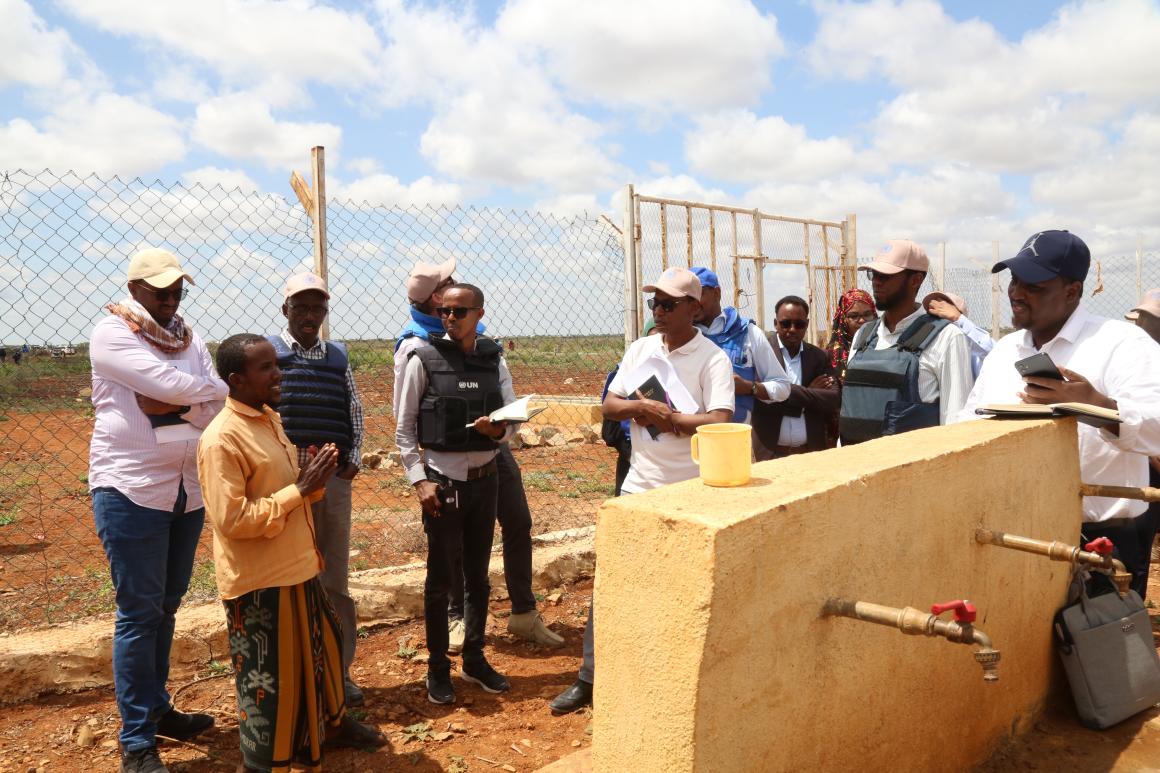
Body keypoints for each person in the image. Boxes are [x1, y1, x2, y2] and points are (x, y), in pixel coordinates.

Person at [550, 267, 735, 715]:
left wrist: (669, 418)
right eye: (655, 303)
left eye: (669, 304)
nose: (659, 311)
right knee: (611, 585)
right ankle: (590, 679)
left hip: (691, 492)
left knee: (681, 593)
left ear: (695, 308)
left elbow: (720, 420)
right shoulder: (640, 349)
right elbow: (610, 404)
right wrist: (639, 406)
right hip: (639, 488)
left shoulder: (713, 359)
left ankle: (671, 684)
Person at [198, 335, 386, 773]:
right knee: (270, 681)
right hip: (262, 581)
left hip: (298, 568)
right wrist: (298, 489)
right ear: (237, 380)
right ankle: (263, 760)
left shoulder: (267, 419)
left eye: (274, 365)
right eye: (267, 368)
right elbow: (233, 521)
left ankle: (329, 726)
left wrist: (312, 481)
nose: (279, 373)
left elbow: (283, 491)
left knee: (322, 652)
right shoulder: (221, 440)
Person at [958, 231, 1160, 597]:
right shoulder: (1006, 350)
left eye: (1033, 284)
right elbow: (968, 423)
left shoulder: (1121, 343)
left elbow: (1156, 427)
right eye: (1014, 280)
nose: (1016, 292)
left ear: (1072, 291)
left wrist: (1097, 407)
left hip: (1102, 541)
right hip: (1018, 535)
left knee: (1100, 651)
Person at [88, 248, 226, 773]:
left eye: (177, 292)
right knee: (139, 614)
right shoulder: (112, 333)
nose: (171, 301)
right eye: (160, 292)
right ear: (135, 289)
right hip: (132, 491)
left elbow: (214, 397)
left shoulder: (189, 338)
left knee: (165, 608)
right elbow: (174, 389)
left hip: (186, 491)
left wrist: (182, 400)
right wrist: (194, 396)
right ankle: (137, 739)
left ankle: (159, 710)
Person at [394, 259, 562, 650]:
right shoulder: (415, 349)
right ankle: (458, 619)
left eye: (460, 304)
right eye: (447, 288)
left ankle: (523, 612)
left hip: (490, 452)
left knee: (517, 522)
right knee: (454, 542)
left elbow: (507, 403)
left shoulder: (487, 349)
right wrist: (421, 474)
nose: (454, 291)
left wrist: (501, 431)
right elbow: (406, 417)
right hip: (448, 460)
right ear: (438, 300)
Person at [396, 283, 518, 705]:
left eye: (459, 312)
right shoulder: (422, 358)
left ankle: (474, 658)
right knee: (440, 579)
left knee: (478, 577)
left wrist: (497, 430)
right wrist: (419, 480)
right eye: (444, 311)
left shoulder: (492, 357)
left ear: (479, 313)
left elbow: (512, 419)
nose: (450, 318)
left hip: (486, 480)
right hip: (442, 484)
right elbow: (404, 429)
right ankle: (437, 667)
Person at [266, 273, 366, 706]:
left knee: (334, 579)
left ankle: (338, 672)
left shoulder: (338, 357)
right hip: (283, 484)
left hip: (330, 483)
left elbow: (355, 410)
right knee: (282, 578)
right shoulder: (267, 355)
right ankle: (288, 675)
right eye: (301, 307)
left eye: (317, 309)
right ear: (285, 309)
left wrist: (352, 462)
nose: (309, 316)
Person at [839, 240, 974, 445]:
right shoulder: (863, 336)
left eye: (885, 276)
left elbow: (955, 424)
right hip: (854, 468)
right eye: (873, 274)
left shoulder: (947, 337)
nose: (876, 282)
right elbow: (851, 408)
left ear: (915, 280)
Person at [690, 267, 791, 432]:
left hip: (734, 442)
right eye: (688, 297)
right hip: (685, 445)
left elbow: (782, 387)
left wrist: (749, 387)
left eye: (699, 295)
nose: (693, 304)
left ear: (717, 293)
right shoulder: (681, 336)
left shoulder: (747, 332)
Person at [752, 296, 839, 459]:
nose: (792, 329)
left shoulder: (819, 357)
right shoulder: (760, 354)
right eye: (785, 323)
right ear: (775, 323)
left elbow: (832, 399)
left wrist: (776, 390)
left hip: (810, 452)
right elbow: (762, 403)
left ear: (806, 324)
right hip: (771, 453)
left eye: (799, 324)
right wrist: (810, 395)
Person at [1126, 288, 1160, 591]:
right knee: (1137, 551)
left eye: (1150, 319)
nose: (1144, 325)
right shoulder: (1134, 359)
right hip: (1145, 467)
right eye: (1142, 318)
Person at [922, 291, 994, 377]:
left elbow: (997, 354)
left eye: (944, 310)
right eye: (933, 310)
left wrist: (958, 318)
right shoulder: (922, 347)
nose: (937, 314)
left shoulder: (974, 354)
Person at [825, 288, 876, 385]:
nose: (861, 320)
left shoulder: (885, 346)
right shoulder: (832, 355)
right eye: (854, 316)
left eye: (867, 314)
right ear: (843, 319)